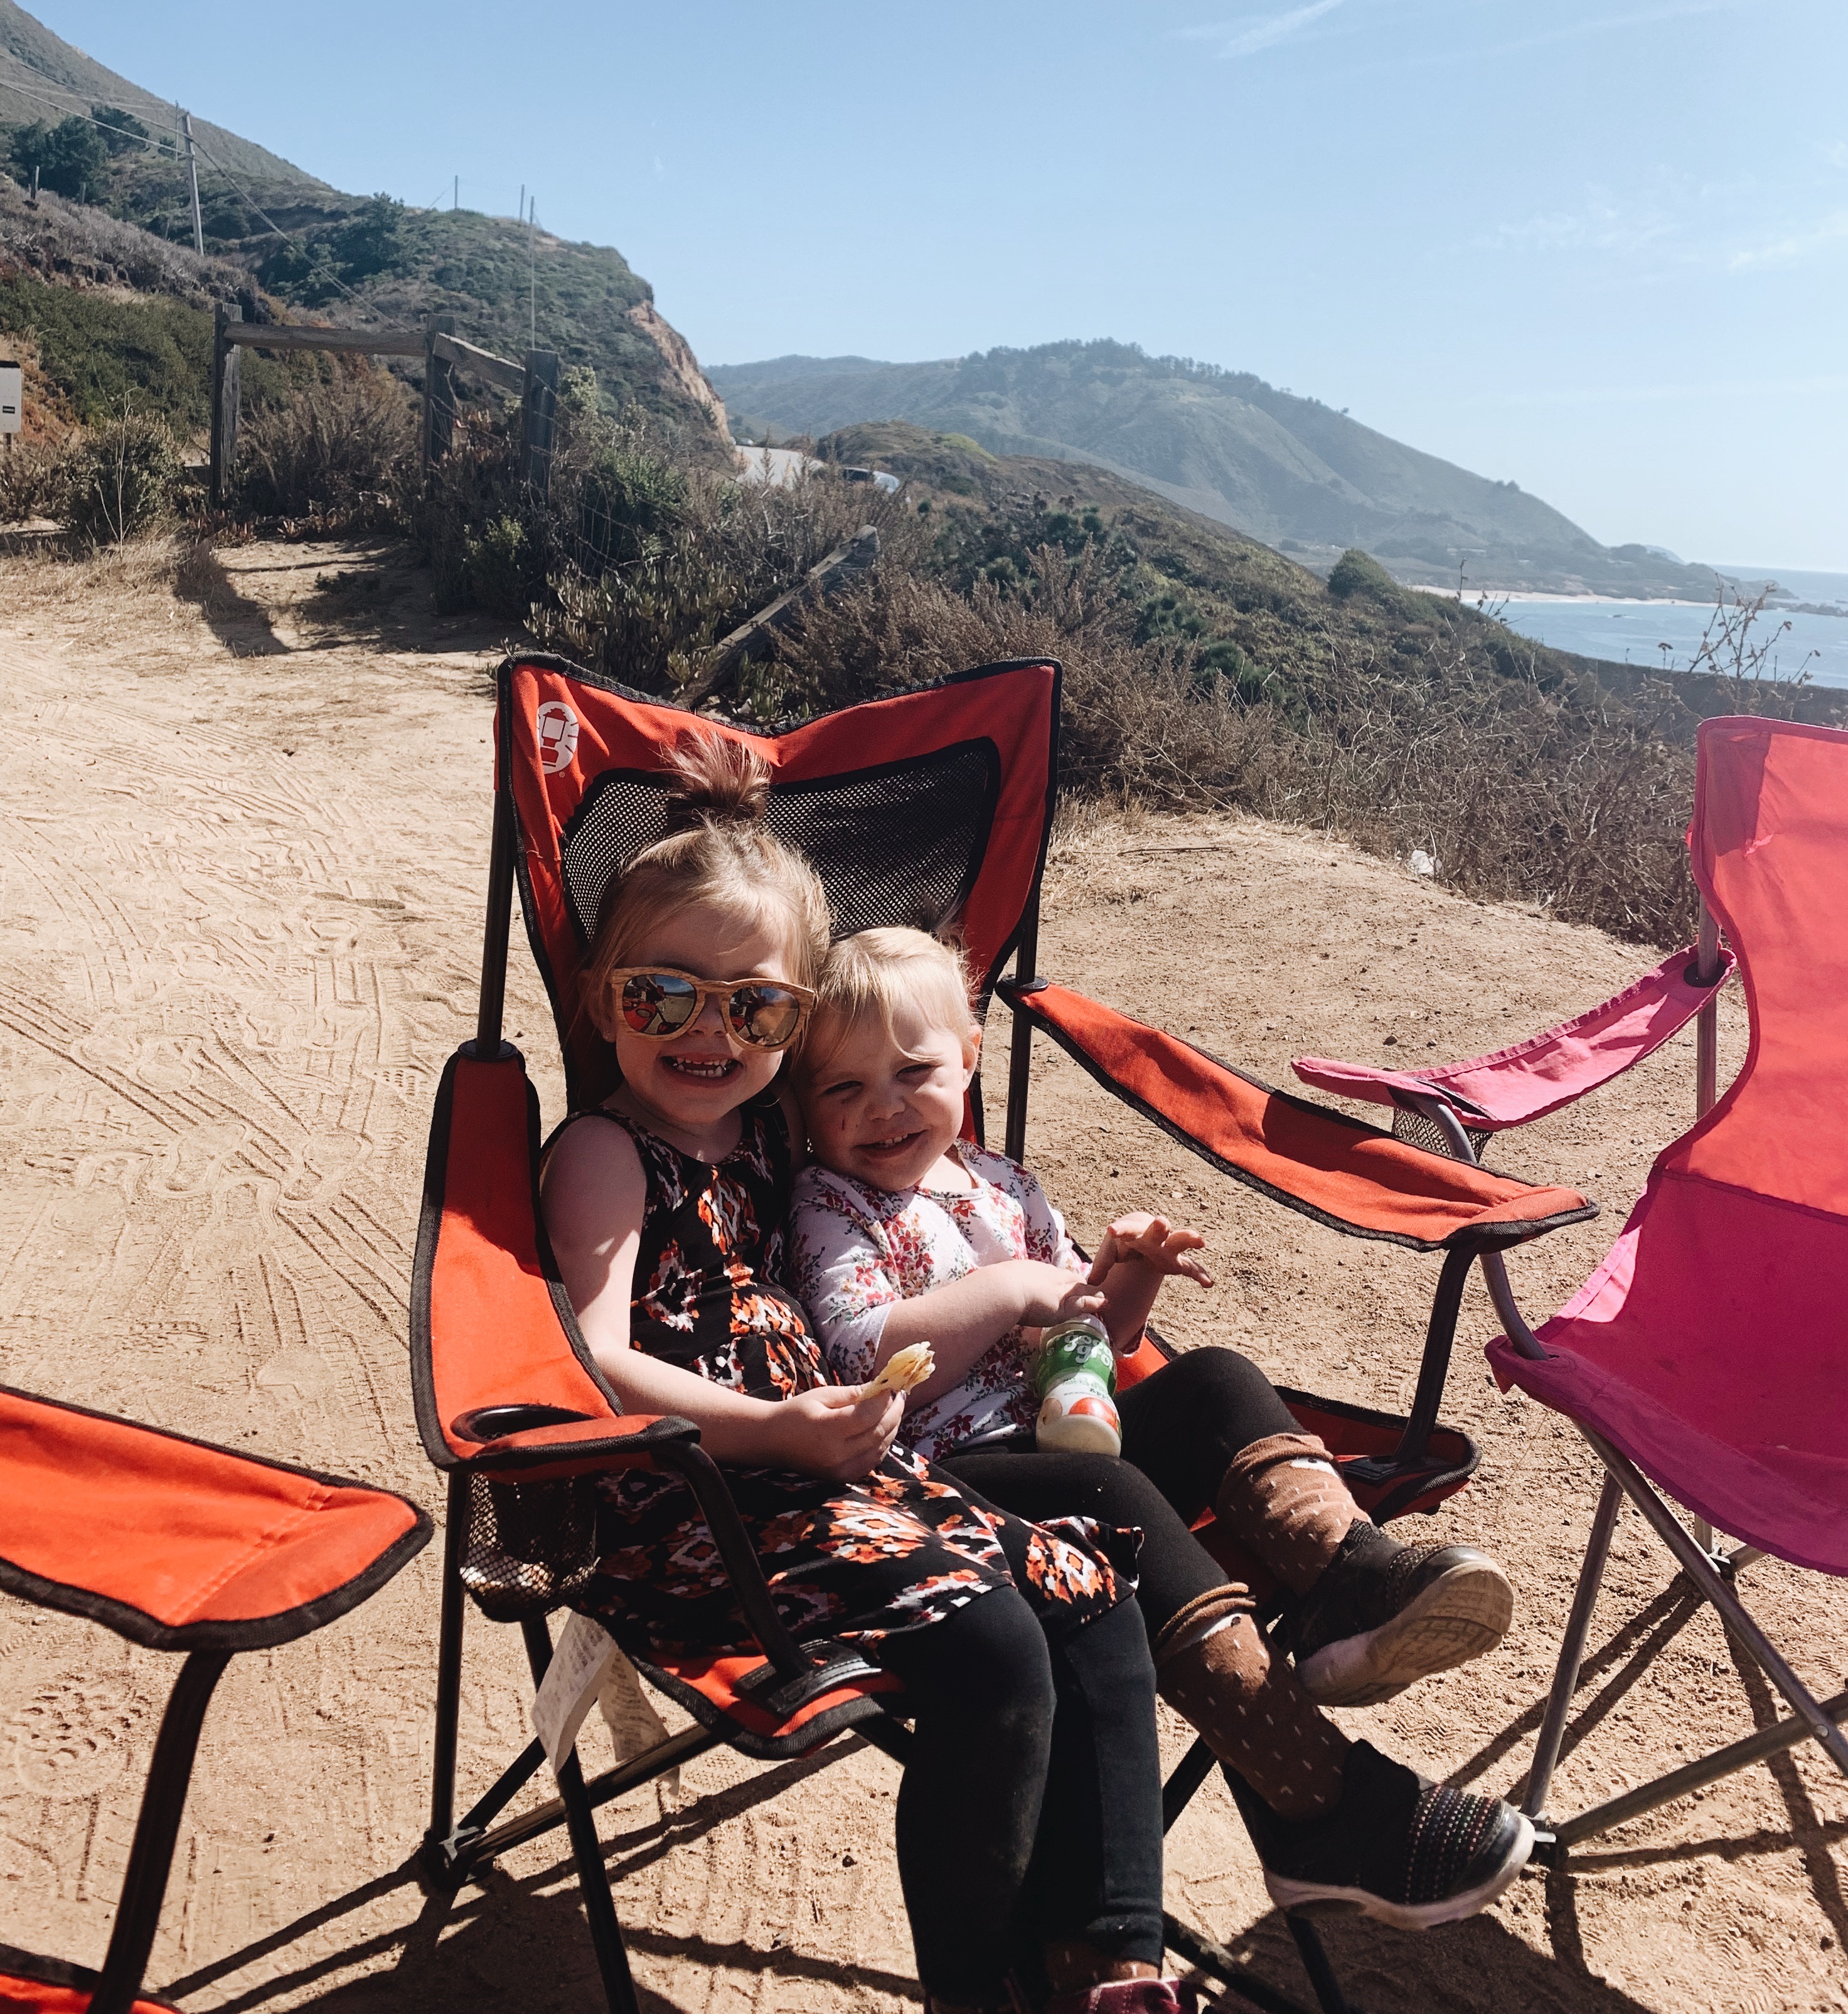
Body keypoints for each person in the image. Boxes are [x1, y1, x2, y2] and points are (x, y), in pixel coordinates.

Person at [540, 738, 1180, 2014]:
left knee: (1089, 1585)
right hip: (702, 1504)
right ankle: (982, 1991)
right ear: (604, 994)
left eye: (757, 1009)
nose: (711, 1036)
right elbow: (597, 1364)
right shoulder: (610, 1153)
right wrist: (776, 1428)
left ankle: (1108, 1958)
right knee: (996, 1641)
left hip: (841, 1477)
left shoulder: (780, 1135)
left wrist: (1071, 1287)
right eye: (664, 999)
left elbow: (915, 1161)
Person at [787, 927, 1537, 1931]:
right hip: (950, 1480)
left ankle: (1345, 1587)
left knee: (1216, 1379)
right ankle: (1328, 1807)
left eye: (912, 1070)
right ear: (799, 1105)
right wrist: (1008, 1291)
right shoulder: (828, 1203)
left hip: (1062, 1432)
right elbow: (855, 1356)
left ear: (969, 1053)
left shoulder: (1002, 1184)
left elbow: (1085, 1338)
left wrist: (1123, 1287)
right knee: (1120, 1497)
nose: (880, 1106)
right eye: (841, 1088)